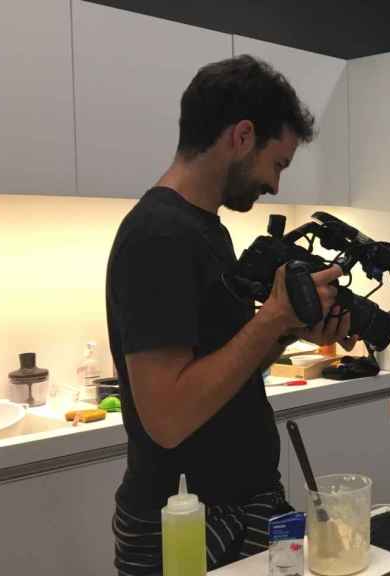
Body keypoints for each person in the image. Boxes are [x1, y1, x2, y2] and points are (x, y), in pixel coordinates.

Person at [106, 55, 355, 574]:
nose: (276, 185)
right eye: (278, 164)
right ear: (242, 137)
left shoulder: (205, 229)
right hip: (185, 523)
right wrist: (271, 318)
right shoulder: (158, 235)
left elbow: (221, 370)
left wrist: (286, 330)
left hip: (243, 507)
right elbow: (168, 418)